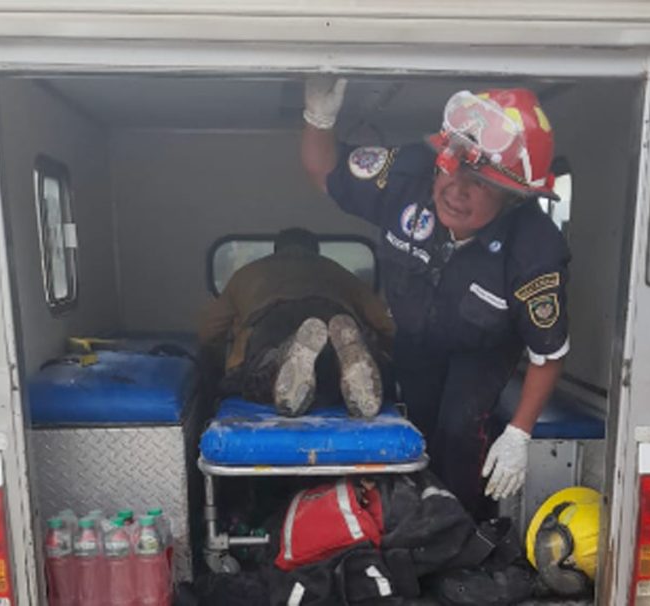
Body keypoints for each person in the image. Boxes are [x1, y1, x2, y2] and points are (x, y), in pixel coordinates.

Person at [301, 78, 570, 519]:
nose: (456, 189)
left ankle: (461, 529)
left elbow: (549, 353)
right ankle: (412, 516)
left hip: (484, 349)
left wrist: (520, 432)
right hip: (415, 337)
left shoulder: (535, 250)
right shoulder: (406, 177)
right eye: (451, 166)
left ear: (512, 198)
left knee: (460, 428)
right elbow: (324, 171)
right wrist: (318, 117)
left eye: (480, 184)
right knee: (415, 426)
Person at [199, 227, 394, 418]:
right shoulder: (339, 272)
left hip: (270, 321)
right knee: (331, 373)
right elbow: (385, 323)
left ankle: (280, 357)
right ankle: (346, 358)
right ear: (316, 251)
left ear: (276, 249)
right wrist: (384, 351)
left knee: (260, 375)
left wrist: (217, 360)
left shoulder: (246, 274)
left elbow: (209, 330)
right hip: (332, 314)